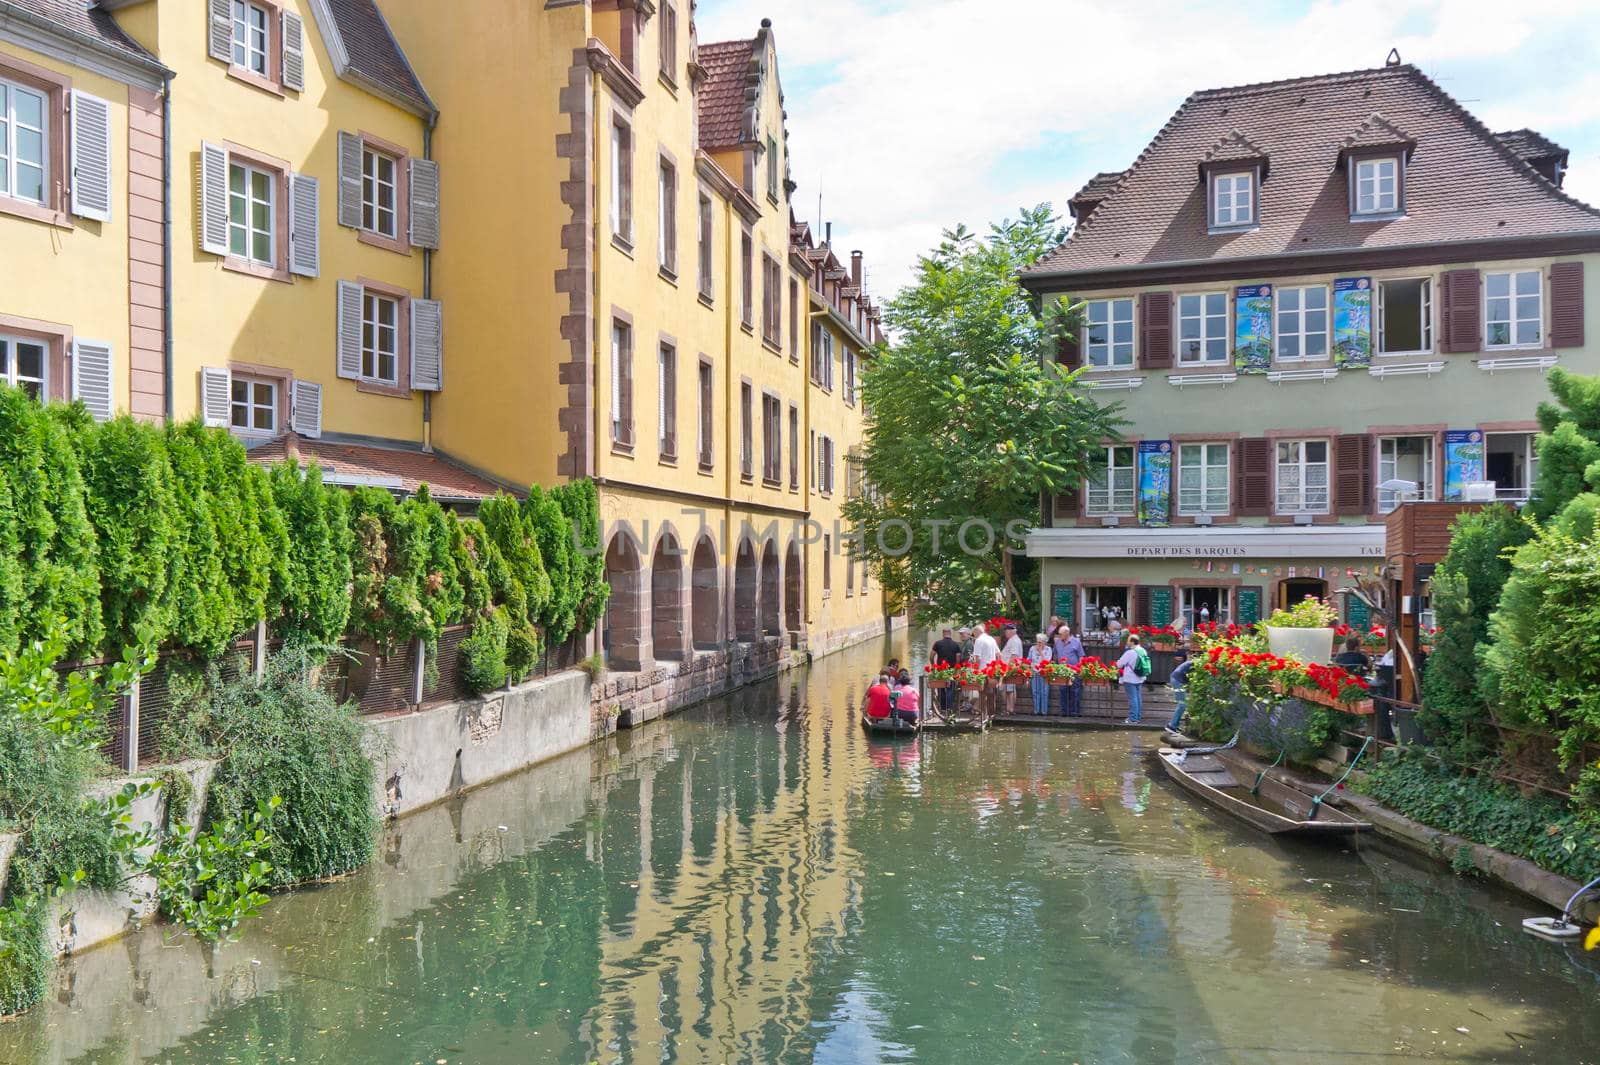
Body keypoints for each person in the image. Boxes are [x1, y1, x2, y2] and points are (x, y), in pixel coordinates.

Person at [1116, 633, 1149, 724]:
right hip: (1140, 677)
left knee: (1132, 699)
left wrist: (1118, 663)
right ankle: (1137, 717)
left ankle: (1133, 719)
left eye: (1128, 640)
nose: (1127, 642)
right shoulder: (1143, 651)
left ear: (1132, 642)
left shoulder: (1130, 652)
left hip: (1130, 678)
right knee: (1138, 698)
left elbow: (1119, 664)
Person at [1053, 623, 1084, 717]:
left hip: (1074, 671)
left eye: (1061, 634)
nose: (1059, 636)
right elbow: (1055, 655)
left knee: (1075, 692)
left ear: (1067, 633)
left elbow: (1081, 656)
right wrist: (1055, 667)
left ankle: (1075, 712)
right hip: (1062, 671)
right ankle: (1064, 712)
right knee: (1063, 692)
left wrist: (1079, 668)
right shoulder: (1058, 642)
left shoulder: (1076, 642)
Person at [931, 626, 963, 713]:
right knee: (950, 688)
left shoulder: (937, 643)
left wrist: (934, 666)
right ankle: (949, 708)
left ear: (943, 633)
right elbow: (958, 657)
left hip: (941, 669)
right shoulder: (956, 644)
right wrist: (956, 668)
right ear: (950, 633)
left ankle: (942, 708)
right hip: (952, 670)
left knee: (941, 688)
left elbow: (931, 656)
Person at [971, 623, 999, 715]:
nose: (973, 636)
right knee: (991, 692)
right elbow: (999, 655)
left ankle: (983, 714)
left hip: (982, 670)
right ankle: (991, 713)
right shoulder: (991, 639)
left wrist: (975, 670)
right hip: (992, 670)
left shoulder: (979, 640)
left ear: (976, 632)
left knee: (982, 692)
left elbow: (978, 658)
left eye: (973, 634)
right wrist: (997, 668)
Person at [1166, 653, 1194, 733]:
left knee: (1182, 704)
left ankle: (1175, 725)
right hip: (1178, 681)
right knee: (1182, 704)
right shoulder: (1194, 664)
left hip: (1177, 679)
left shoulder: (1191, 663)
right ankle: (1172, 725)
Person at [1027, 632, 1053, 715]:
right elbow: (1029, 659)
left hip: (1044, 672)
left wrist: (1041, 652)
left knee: (1044, 692)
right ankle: (1036, 711)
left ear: (1044, 642)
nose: (1038, 644)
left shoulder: (1048, 649)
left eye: (1040, 642)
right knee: (1035, 692)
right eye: (1037, 642)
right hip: (1034, 672)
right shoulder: (1032, 648)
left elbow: (1047, 661)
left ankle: (1044, 711)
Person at [1000, 624, 1024, 715]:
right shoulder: (1013, 640)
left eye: (1006, 631)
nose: (1005, 633)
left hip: (1010, 669)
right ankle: (1009, 709)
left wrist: (1007, 668)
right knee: (1008, 690)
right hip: (1009, 668)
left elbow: (1014, 656)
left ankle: (1009, 709)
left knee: (1009, 690)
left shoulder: (1014, 641)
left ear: (1011, 631)